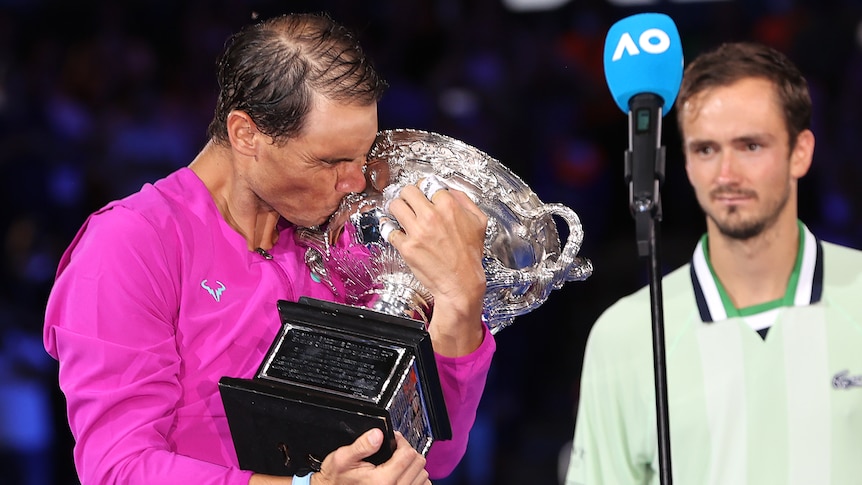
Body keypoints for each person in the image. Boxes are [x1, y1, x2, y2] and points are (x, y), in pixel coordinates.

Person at [43, 12, 495, 485]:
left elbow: (429, 456)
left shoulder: (343, 246)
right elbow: (120, 469)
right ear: (246, 135)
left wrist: (461, 302)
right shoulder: (132, 245)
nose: (356, 181)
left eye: (363, 156)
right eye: (331, 161)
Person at [565, 41, 862, 484]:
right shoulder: (626, 335)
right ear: (684, 161)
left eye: (750, 146)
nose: (726, 174)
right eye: (706, 149)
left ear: (800, 152)